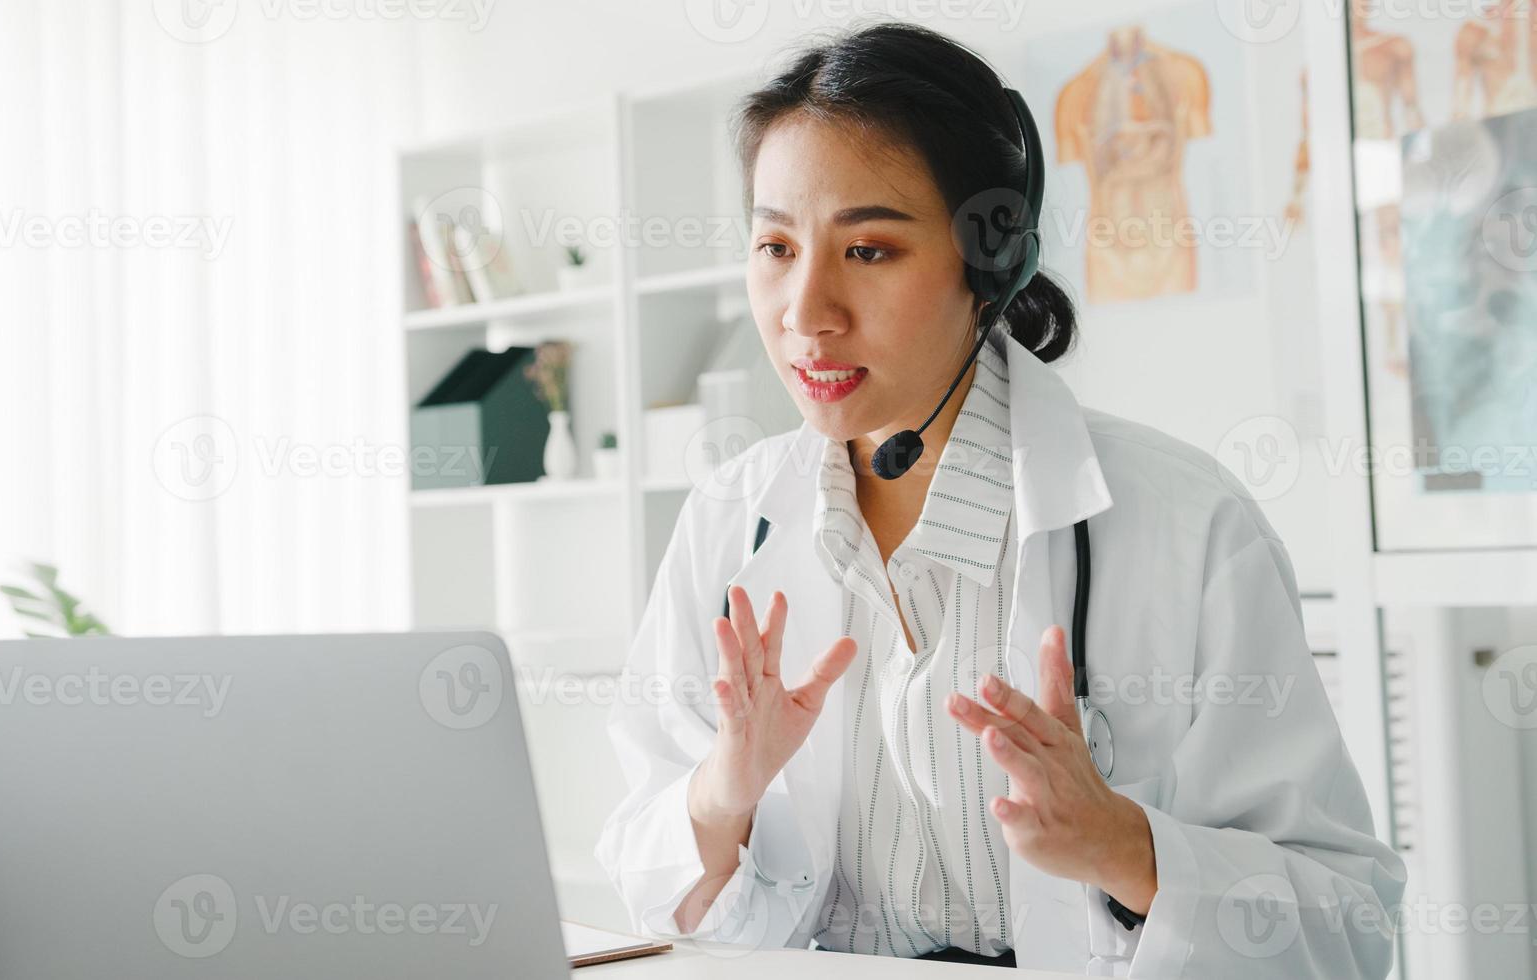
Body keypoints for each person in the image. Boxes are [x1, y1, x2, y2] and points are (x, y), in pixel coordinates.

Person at [595, 22, 1404, 978]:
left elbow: (1348, 931)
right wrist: (721, 794)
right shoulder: (728, 521)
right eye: (775, 245)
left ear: (991, 260)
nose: (805, 312)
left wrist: (1123, 848)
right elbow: (654, 895)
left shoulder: (1188, 525)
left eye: (868, 252)